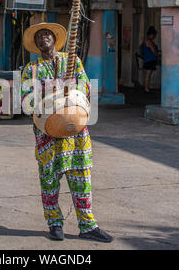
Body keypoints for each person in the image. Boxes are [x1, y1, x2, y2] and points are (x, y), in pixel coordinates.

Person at [21, 23, 113, 243]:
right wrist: (48, 93)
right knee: (49, 181)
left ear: (55, 39)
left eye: (47, 34)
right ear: (35, 44)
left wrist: (72, 89)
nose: (43, 37)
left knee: (81, 178)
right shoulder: (30, 70)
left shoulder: (71, 61)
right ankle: (54, 224)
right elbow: (26, 101)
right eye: (39, 36)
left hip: (76, 132)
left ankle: (88, 226)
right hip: (47, 135)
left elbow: (85, 86)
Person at [141, 26, 160, 93]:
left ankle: (147, 87)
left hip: (148, 59)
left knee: (148, 74)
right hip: (150, 59)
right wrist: (158, 56)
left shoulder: (147, 40)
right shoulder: (149, 41)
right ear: (152, 34)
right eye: (154, 35)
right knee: (148, 74)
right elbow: (153, 50)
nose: (155, 36)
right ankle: (146, 88)